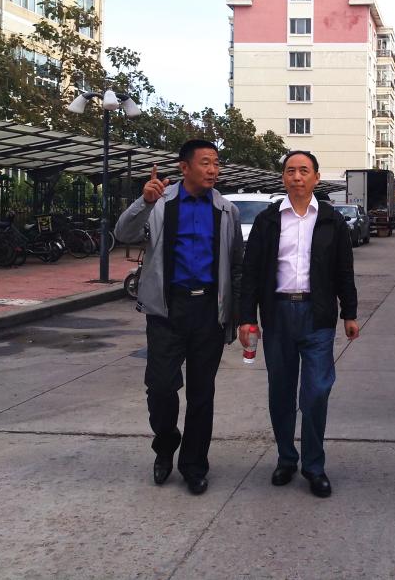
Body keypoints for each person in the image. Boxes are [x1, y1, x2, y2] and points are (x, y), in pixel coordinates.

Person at [114, 139, 243, 495]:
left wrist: (236, 315)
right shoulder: (160, 204)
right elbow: (122, 234)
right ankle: (166, 444)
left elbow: (236, 265)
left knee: (202, 394)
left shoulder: (226, 211)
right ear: (184, 168)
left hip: (208, 312)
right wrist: (144, 201)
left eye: (216, 163)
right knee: (160, 388)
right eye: (205, 163)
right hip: (167, 310)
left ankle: (194, 465)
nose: (213, 170)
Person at [238, 151, 359, 498]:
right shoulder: (268, 220)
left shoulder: (332, 221)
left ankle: (314, 466)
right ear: (283, 178)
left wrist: (349, 313)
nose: (297, 177)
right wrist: (246, 318)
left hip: (317, 314)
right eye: (290, 171)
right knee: (281, 390)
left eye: (304, 170)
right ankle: (286, 458)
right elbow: (251, 272)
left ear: (316, 178)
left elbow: (344, 270)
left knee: (317, 391)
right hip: (277, 313)